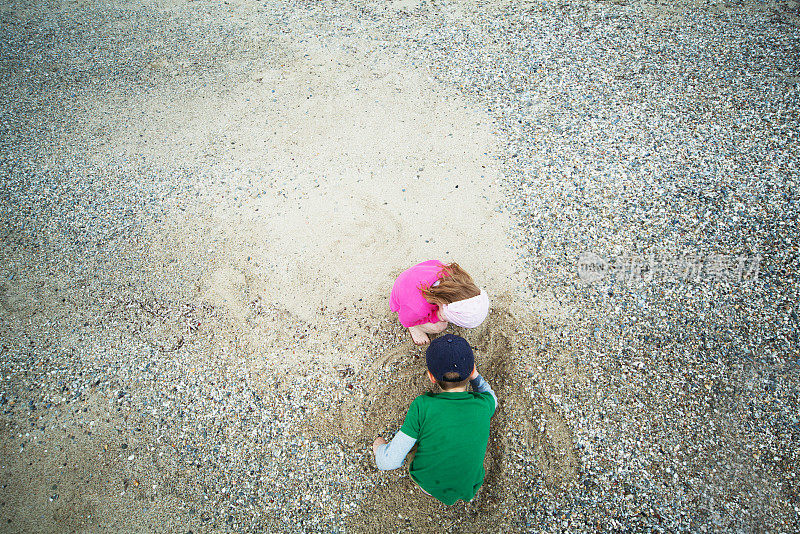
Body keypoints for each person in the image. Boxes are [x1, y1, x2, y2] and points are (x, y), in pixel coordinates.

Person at [372, 334, 497, 505]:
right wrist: (475, 377)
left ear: (431, 377)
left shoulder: (423, 406)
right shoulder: (484, 404)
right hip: (470, 484)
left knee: (416, 438)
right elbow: (491, 397)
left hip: (429, 484)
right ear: (471, 371)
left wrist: (379, 448)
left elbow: (388, 462)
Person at [389, 260, 490, 345]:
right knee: (439, 326)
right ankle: (415, 328)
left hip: (421, 274)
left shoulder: (452, 277)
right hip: (403, 298)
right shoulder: (417, 309)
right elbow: (405, 320)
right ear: (444, 304)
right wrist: (437, 316)